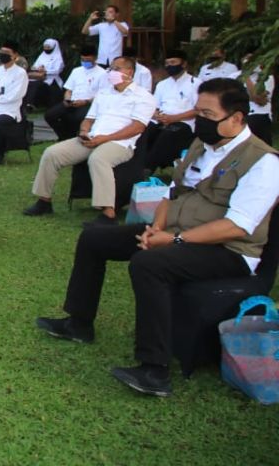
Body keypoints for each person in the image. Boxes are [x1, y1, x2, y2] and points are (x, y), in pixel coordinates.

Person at [34, 78, 279, 398]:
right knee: (95, 240)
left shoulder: (263, 162)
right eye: (197, 111)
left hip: (228, 249)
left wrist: (175, 241)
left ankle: (155, 369)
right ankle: (79, 323)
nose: (199, 120)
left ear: (236, 118)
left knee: (149, 263)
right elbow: (172, 193)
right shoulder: (202, 147)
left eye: (207, 114)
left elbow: (237, 226)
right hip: (177, 233)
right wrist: (157, 228)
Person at [24, 55, 156, 223]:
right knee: (52, 153)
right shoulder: (104, 92)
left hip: (119, 143)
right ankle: (44, 201)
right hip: (92, 138)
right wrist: (84, 131)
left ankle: (108, 213)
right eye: (111, 69)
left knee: (98, 159)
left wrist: (104, 139)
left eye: (116, 69)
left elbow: (137, 128)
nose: (111, 72)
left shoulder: (143, 96)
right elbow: (89, 118)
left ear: (129, 72)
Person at [141, 50, 197, 173]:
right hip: (161, 120)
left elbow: (198, 110)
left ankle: (148, 168)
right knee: (144, 130)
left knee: (167, 135)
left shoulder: (196, 83)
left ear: (184, 64)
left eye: (173, 62)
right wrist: (157, 116)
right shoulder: (162, 84)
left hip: (183, 122)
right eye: (167, 63)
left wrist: (173, 118)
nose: (169, 66)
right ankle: (136, 164)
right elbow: (154, 106)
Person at [44, 44, 105, 141]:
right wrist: (67, 99)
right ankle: (64, 136)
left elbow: (101, 95)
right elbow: (69, 90)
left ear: (95, 58)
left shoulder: (102, 73)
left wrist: (85, 101)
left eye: (88, 60)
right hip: (72, 101)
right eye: (83, 60)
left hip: (88, 103)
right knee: (50, 115)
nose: (85, 62)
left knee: (77, 118)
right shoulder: (76, 71)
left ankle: (71, 137)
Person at [242, 49, 273, 144]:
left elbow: (259, 99)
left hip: (260, 115)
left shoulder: (267, 77)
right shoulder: (234, 76)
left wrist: (246, 76)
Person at [26, 38, 64, 109]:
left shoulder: (58, 58)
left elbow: (57, 70)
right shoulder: (42, 56)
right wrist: (38, 69)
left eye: (48, 47)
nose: (46, 49)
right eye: (45, 47)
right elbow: (34, 66)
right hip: (39, 77)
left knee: (37, 85)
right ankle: (29, 104)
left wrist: (45, 71)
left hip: (52, 79)